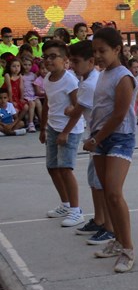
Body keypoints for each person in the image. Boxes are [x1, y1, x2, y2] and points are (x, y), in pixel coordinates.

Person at [83, 27, 137, 273]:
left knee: (114, 193)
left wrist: (97, 139)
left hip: (119, 138)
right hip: (100, 138)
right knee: (106, 192)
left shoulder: (123, 76)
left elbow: (119, 115)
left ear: (117, 49)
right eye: (95, 51)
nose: (98, 56)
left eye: (102, 51)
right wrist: (95, 137)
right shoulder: (103, 74)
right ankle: (117, 240)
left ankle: (128, 249)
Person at [66, 40, 114, 246]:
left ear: (91, 61)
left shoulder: (88, 84)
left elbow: (76, 111)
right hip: (96, 135)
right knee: (95, 182)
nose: (72, 66)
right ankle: (99, 220)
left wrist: (69, 113)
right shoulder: (92, 79)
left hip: (99, 137)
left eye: (76, 61)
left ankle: (109, 227)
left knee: (101, 184)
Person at [39, 40, 86, 228]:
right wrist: (43, 128)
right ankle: (65, 204)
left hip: (70, 130)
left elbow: (78, 108)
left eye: (53, 56)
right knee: (52, 167)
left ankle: (76, 211)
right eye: (45, 57)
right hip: (53, 128)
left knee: (65, 169)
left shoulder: (70, 80)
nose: (48, 60)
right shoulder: (47, 78)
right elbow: (47, 104)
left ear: (65, 60)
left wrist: (66, 132)